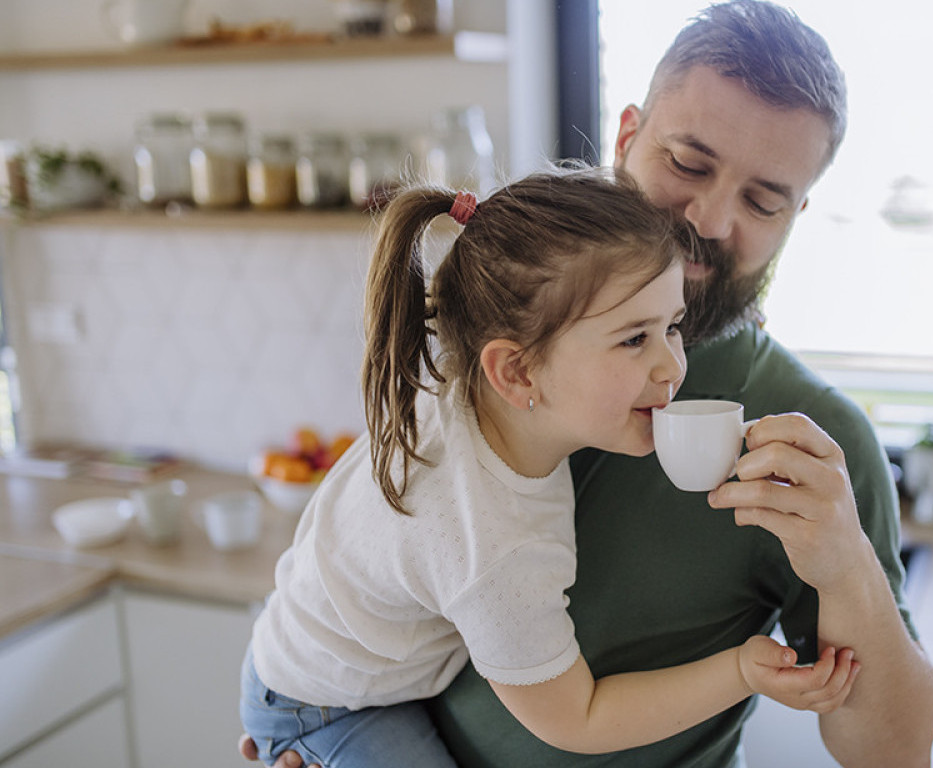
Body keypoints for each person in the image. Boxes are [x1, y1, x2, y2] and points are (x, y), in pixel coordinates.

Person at [243, 2, 933, 765]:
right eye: (688, 163)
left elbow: (892, 755)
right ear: (625, 136)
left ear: (796, 216)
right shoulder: (490, 328)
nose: (709, 220)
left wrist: (847, 566)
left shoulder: (812, 443)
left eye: (763, 200)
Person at [239, 166, 861, 768]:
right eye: (633, 339)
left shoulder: (467, 386)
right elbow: (579, 718)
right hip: (323, 708)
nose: (673, 366)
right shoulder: (492, 545)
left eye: (672, 326)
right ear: (515, 372)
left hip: (301, 648)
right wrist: (741, 670)